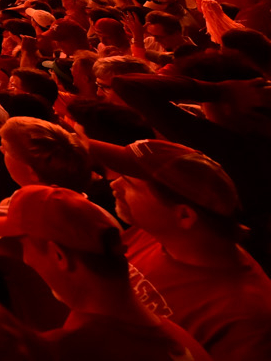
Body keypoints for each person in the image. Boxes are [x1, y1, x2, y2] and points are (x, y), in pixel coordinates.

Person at [89, 140, 271, 361]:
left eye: (129, 182)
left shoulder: (246, 319)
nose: (114, 184)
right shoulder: (150, 234)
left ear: (184, 215)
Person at [0, 185, 201, 361]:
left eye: (23, 245)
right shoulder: (181, 338)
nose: (26, 259)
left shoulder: (62, 351)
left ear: (59, 256)